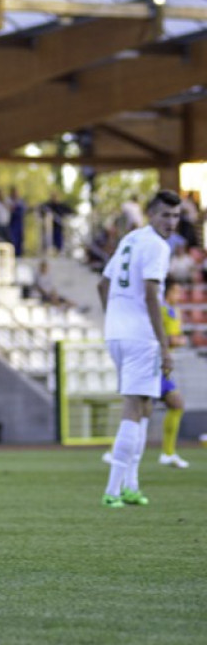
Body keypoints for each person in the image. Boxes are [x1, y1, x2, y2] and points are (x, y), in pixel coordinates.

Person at [97, 189, 181, 508]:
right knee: (134, 407)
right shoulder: (157, 246)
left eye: (175, 216)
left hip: (117, 334)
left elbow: (102, 284)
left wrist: (114, 320)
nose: (171, 223)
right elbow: (150, 294)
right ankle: (112, 490)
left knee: (145, 406)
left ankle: (131, 484)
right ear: (150, 214)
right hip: (140, 337)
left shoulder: (130, 240)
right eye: (165, 215)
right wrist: (164, 345)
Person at [158, 278, 190, 469]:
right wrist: (178, 341)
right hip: (155, 366)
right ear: (167, 292)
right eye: (176, 291)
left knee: (176, 405)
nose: (179, 296)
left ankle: (168, 453)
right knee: (138, 412)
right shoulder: (161, 310)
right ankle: (167, 453)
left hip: (164, 368)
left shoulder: (174, 311)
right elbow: (168, 339)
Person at [8, 187, 26, 257]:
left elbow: (24, 210)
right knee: (13, 239)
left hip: (20, 224)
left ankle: (19, 254)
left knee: (20, 240)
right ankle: (13, 254)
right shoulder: (9, 201)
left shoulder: (21, 201)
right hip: (12, 223)